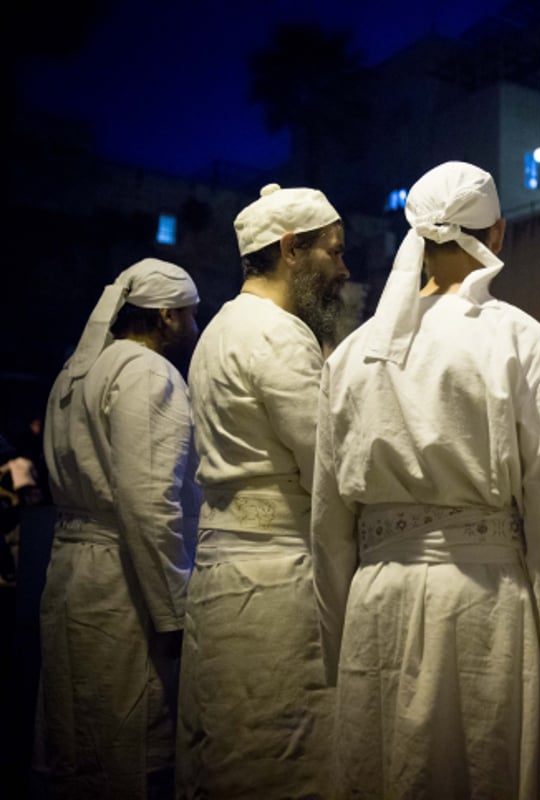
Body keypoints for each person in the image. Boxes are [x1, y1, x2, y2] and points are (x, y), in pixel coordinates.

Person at [311, 161, 540, 799]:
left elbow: (328, 524)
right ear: (498, 233)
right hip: (483, 606)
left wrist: (338, 650)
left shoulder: (353, 355)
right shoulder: (527, 345)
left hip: (375, 607)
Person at [177, 183, 348, 797]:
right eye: (333, 252)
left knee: (228, 758)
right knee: (281, 765)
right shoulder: (277, 333)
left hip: (223, 578)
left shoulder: (220, 328)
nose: (343, 269)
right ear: (290, 251)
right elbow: (326, 467)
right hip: (274, 585)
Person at [38, 258, 201, 798]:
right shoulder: (147, 372)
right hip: (123, 579)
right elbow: (150, 503)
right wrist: (173, 611)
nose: (195, 329)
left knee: (79, 731)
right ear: (166, 317)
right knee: (127, 740)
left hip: (70, 572)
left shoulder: (79, 369)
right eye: (190, 316)